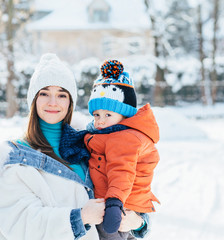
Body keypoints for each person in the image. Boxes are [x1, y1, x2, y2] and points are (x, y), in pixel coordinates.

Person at [0, 54, 149, 240]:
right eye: (44, 93)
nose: (53, 102)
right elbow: (20, 226)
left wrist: (137, 223)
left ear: (70, 102)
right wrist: (80, 217)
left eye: (62, 95)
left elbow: (126, 192)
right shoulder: (14, 161)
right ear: (33, 100)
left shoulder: (88, 148)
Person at [60, 60, 160, 240]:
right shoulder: (107, 133)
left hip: (118, 207)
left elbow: (122, 171)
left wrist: (114, 203)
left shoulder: (124, 138)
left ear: (124, 115)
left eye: (108, 115)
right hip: (115, 206)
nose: (100, 120)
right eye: (96, 115)